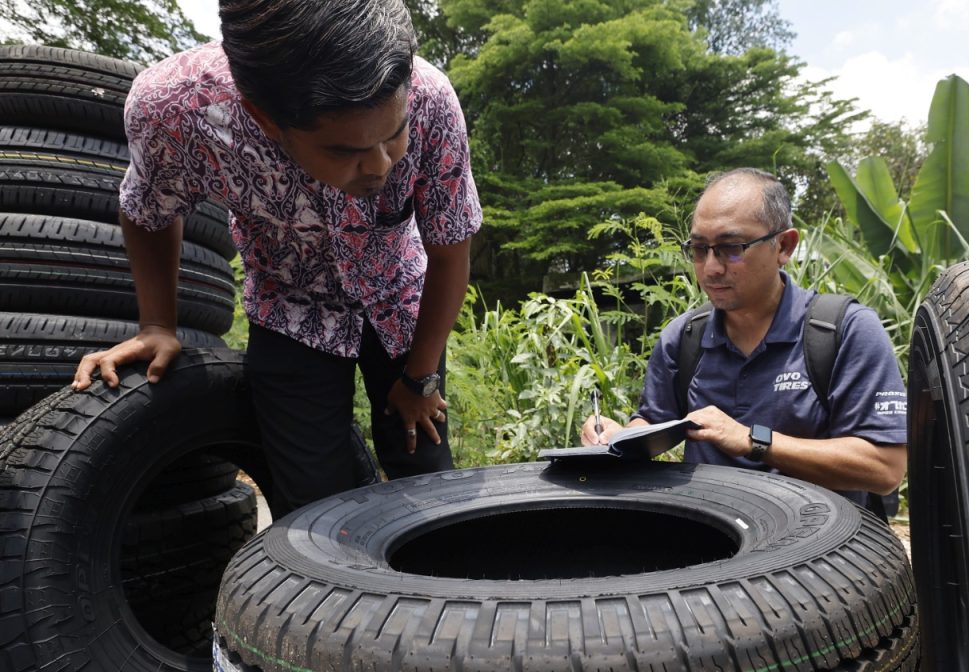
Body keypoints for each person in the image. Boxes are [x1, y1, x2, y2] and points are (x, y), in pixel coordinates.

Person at [72, 0, 482, 514]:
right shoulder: (176, 111)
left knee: (424, 474)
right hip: (289, 306)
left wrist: (419, 378)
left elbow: (449, 252)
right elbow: (148, 206)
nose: (379, 166)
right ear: (263, 118)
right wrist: (157, 323)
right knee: (313, 497)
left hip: (400, 299)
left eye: (394, 134)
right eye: (344, 150)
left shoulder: (432, 98)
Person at [581, 168, 907, 519]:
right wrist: (618, 438)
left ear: (784, 246)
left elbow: (884, 468)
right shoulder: (683, 339)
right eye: (699, 249)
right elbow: (652, 423)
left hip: (819, 553)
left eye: (730, 249)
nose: (710, 268)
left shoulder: (843, 332)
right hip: (712, 544)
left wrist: (754, 440)